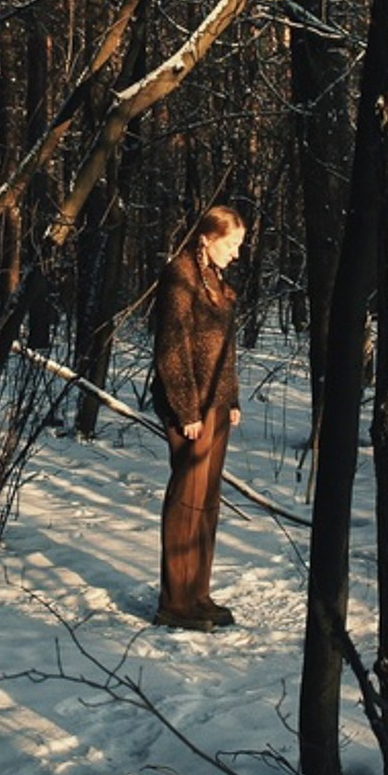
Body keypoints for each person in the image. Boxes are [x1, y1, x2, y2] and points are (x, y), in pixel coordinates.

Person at [151, 205, 246, 631]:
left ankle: (198, 595)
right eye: (232, 244)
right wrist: (186, 409)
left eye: (240, 245)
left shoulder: (215, 279)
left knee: (206, 502)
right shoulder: (180, 275)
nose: (237, 253)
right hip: (189, 408)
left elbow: (222, 348)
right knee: (186, 500)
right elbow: (172, 348)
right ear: (207, 238)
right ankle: (176, 602)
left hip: (216, 405)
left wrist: (232, 398)